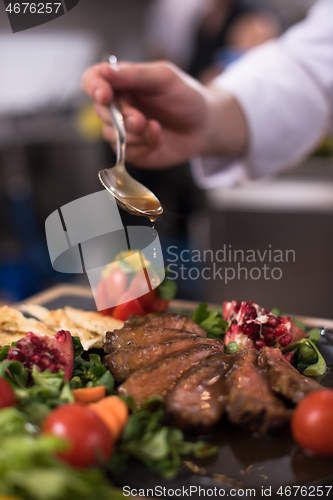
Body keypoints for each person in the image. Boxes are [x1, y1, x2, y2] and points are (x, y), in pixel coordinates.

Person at [82, 0, 333, 188]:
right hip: (186, 142)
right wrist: (206, 113)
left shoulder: (251, 20)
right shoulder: (189, 15)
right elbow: (312, 68)